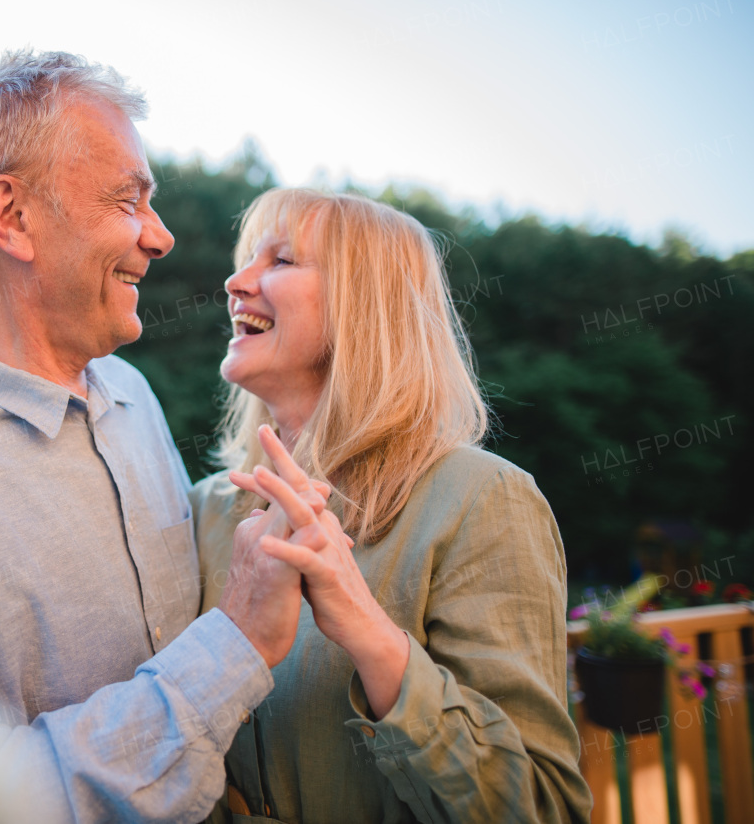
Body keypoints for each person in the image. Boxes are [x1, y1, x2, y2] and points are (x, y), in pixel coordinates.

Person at [0, 51, 323, 823]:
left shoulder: (133, 399)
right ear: (12, 217)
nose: (162, 236)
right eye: (127, 201)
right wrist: (235, 645)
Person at [191, 188, 593, 822]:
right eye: (247, 261)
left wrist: (368, 631)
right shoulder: (205, 511)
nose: (236, 282)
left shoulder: (484, 500)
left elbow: (542, 807)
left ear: (365, 306)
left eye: (283, 261)